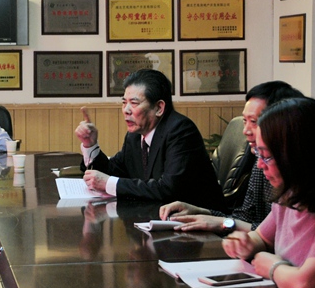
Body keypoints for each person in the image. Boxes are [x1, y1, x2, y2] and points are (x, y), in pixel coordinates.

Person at [222, 97, 315, 288]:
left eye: (267, 156)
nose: (260, 165)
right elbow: (261, 237)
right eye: (258, 153)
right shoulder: (290, 194)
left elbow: (306, 286)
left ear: (299, 155)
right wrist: (246, 243)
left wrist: (272, 267)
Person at [159, 81, 304, 233]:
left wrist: (223, 223)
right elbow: (244, 218)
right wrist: (199, 212)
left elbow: (277, 236)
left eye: (254, 122)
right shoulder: (260, 161)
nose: (245, 131)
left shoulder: (299, 175)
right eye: (244, 121)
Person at [75, 69, 223, 207]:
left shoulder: (180, 131)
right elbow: (113, 171)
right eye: (124, 103)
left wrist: (109, 183)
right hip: (153, 215)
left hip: (197, 219)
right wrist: (90, 145)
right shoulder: (134, 135)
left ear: (159, 108)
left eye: (134, 103)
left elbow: (168, 190)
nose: (126, 110)